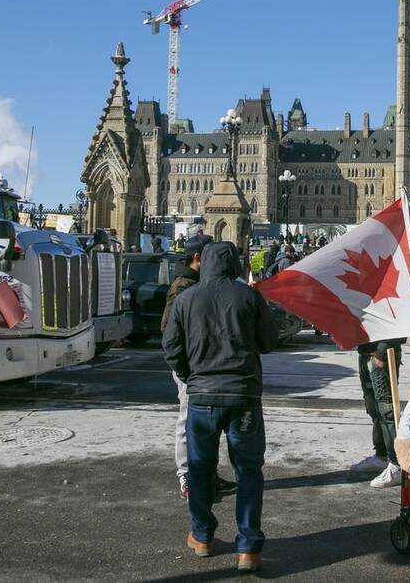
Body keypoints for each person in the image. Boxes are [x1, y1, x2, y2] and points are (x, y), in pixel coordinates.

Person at [163, 241, 280, 573]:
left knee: (200, 469)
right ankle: (248, 549)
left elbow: (170, 347)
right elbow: (269, 342)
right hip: (243, 397)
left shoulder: (186, 299)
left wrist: (191, 376)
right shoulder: (249, 297)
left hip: (202, 398)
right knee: (248, 472)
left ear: (206, 262)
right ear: (234, 265)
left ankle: (202, 537)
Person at [161, 236, 237, 503]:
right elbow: (169, 333)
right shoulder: (183, 286)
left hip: (203, 365)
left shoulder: (199, 283)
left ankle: (207, 474)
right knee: (188, 420)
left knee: (205, 425)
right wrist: (185, 369)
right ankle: (186, 476)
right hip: (191, 367)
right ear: (198, 258)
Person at [349, 335, 406, 488]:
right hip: (365, 353)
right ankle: (382, 456)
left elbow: (398, 327)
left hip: (382, 355)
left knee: (387, 410)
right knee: (374, 408)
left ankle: (397, 464)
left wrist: (381, 352)